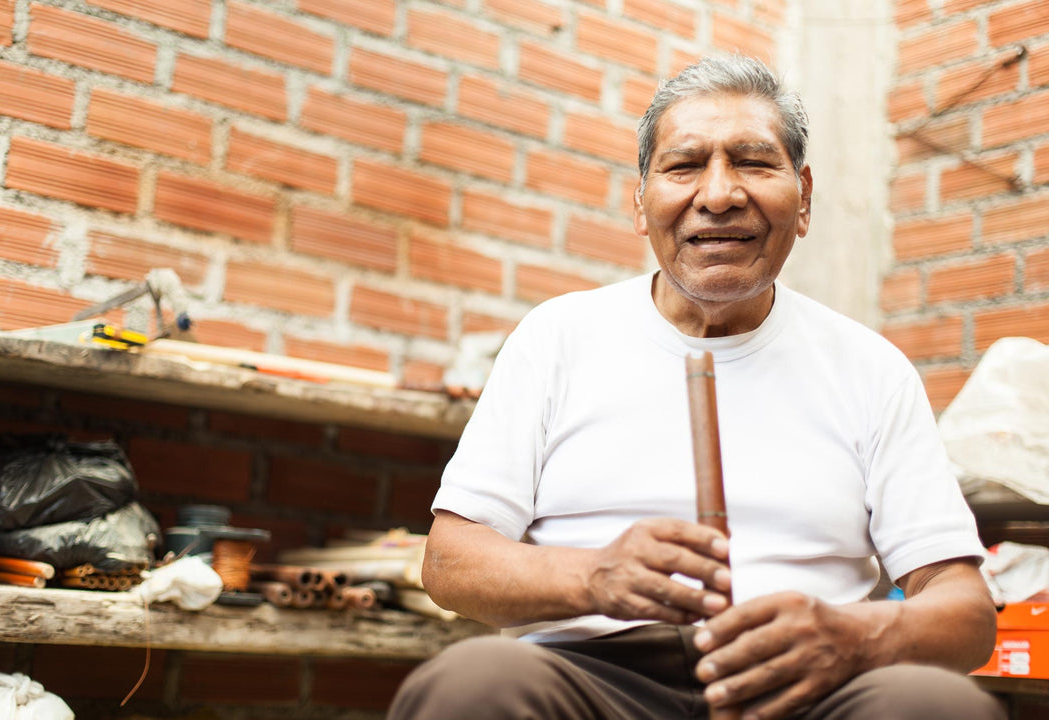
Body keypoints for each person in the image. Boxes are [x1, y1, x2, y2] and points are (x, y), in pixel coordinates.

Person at [387, 55, 1003, 720]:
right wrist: (595, 577)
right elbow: (450, 563)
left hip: (807, 686)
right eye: (684, 166)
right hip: (591, 678)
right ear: (640, 203)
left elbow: (964, 612)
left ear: (803, 199)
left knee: (937, 705)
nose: (718, 195)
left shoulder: (869, 368)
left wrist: (852, 635)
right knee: (475, 684)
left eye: (753, 162)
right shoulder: (557, 337)